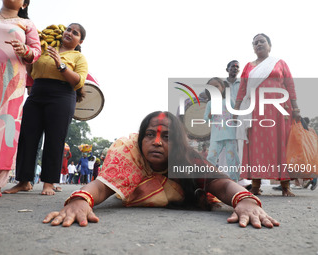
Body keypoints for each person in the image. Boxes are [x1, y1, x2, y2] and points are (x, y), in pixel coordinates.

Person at [43, 111, 279, 229]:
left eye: (166, 137)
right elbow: (103, 187)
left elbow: (222, 184)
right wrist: (80, 201)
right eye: (150, 135)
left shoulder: (187, 159)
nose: (156, 142)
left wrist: (246, 201)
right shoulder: (129, 153)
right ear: (141, 139)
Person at [4, 23, 88, 195]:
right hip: (38, 92)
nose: (70, 33)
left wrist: (61, 64)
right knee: (28, 136)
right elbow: (32, 69)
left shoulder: (79, 58)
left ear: (81, 40)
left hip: (62, 95)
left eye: (75, 33)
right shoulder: (46, 47)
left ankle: (49, 183)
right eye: (68, 29)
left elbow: (78, 81)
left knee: (54, 139)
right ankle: (24, 181)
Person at [0, 0, 41, 198]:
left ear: (24, 4)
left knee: (6, 128)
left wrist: (25, 51)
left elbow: (36, 51)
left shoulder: (27, 24)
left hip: (11, 81)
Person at [234, 33, 300, 196]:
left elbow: (290, 85)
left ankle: (285, 186)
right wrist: (236, 110)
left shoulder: (279, 63)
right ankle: (255, 185)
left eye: (262, 41)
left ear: (270, 45)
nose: (258, 44)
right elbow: (243, 88)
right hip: (255, 110)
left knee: (281, 144)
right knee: (255, 145)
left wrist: (296, 108)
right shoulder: (249, 67)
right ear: (253, 48)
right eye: (255, 43)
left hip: (279, 109)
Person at [204, 78, 240, 182]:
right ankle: (210, 180)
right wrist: (211, 112)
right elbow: (206, 119)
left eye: (217, 87)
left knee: (232, 159)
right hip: (216, 136)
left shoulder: (229, 100)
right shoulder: (210, 103)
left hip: (230, 135)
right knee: (211, 157)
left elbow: (236, 115)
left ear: (223, 88)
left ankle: (235, 181)